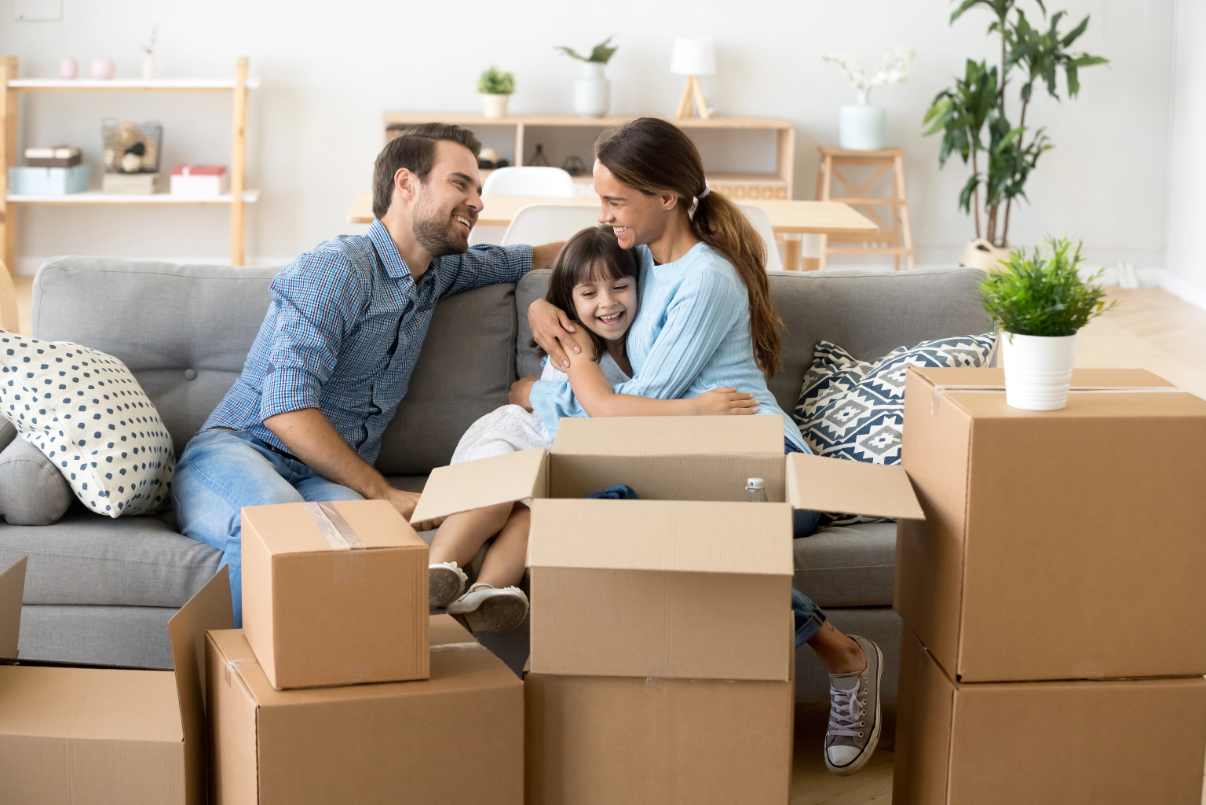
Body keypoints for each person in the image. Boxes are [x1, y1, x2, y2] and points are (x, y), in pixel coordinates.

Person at [518, 117, 883, 777]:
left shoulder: (705, 279)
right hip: (692, 462)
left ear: (666, 197)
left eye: (615, 202)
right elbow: (564, 261)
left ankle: (846, 655)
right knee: (610, 511)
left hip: (765, 464)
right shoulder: (639, 260)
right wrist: (542, 310)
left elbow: (621, 411)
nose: (604, 215)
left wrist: (576, 369)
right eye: (600, 199)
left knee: (696, 538)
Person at [172, 123, 563, 627]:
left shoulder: (439, 272)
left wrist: (625, 239)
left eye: (479, 190)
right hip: (240, 450)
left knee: (369, 554)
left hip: (322, 478)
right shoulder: (337, 269)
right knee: (273, 522)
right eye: (461, 184)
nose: (478, 202)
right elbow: (286, 409)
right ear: (406, 184)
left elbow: (536, 258)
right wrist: (381, 492)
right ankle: (238, 690)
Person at [429, 224, 759, 632]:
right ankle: (434, 569)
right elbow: (605, 409)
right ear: (569, 302)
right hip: (522, 437)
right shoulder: (577, 344)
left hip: (558, 460)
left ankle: (487, 593)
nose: (608, 303)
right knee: (497, 498)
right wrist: (695, 409)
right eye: (589, 294)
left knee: (531, 519)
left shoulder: (648, 344)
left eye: (620, 287)